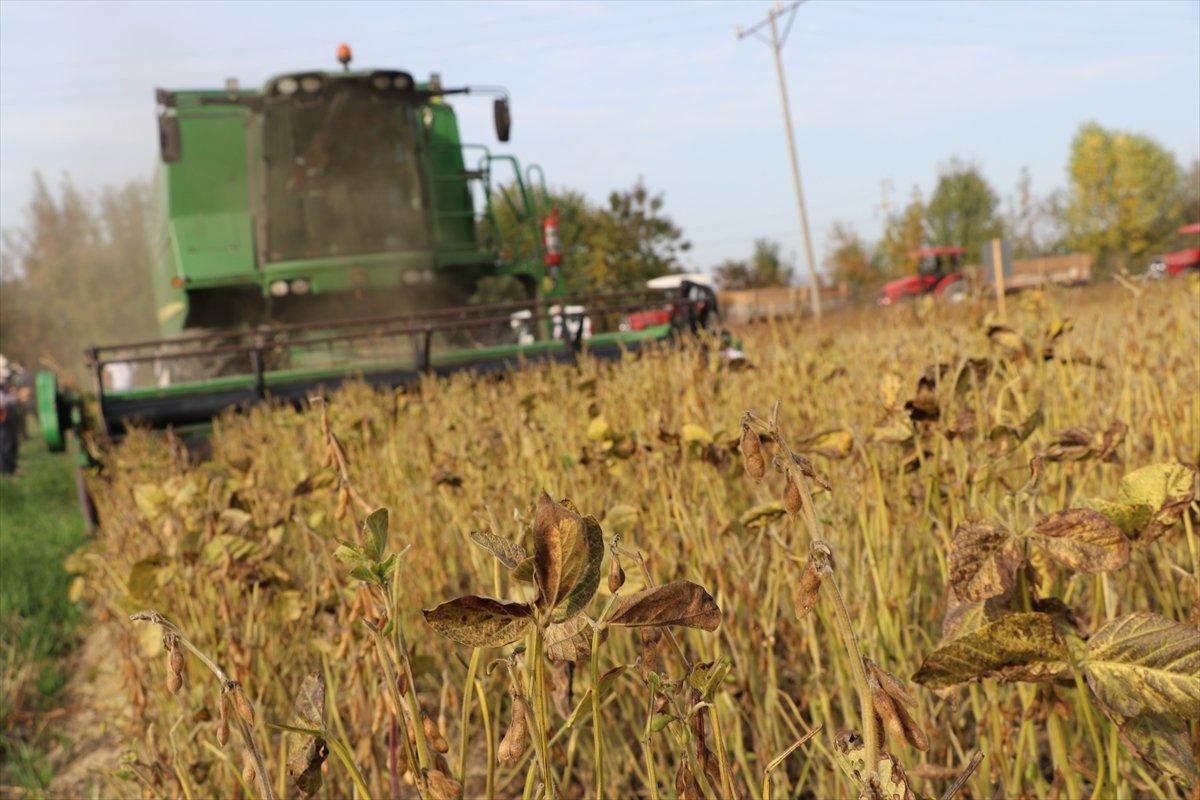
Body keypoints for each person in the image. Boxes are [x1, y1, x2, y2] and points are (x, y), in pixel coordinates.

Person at [0, 355, 23, 475]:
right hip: (2, 419)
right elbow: (2, 401)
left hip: (7, 418)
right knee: (5, 444)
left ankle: (12, 467)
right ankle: (6, 470)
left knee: (12, 442)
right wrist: (17, 398)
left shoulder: (4, 385)